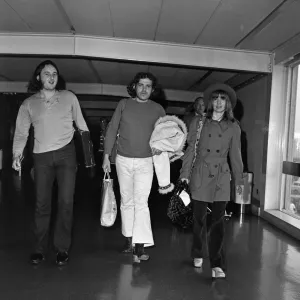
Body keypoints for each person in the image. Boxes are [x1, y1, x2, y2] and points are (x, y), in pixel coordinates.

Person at [12, 60, 89, 266]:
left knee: (65, 203)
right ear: (39, 77)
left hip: (66, 155)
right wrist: (17, 154)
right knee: (41, 204)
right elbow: (21, 132)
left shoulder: (69, 97)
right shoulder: (29, 103)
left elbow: (82, 127)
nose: (51, 77)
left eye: (54, 73)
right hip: (41, 158)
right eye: (47, 73)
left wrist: (89, 159)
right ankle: (38, 249)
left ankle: (61, 248)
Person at [180, 83, 244, 279]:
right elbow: (190, 150)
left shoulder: (233, 127)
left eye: (223, 99)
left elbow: (236, 156)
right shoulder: (198, 123)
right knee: (199, 219)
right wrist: (184, 174)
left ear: (228, 104)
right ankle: (198, 252)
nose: (218, 103)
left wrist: (240, 183)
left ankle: (217, 263)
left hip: (221, 176)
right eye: (215, 98)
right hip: (200, 172)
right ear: (209, 102)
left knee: (217, 221)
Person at [102, 72, 165, 263]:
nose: (144, 89)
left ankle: (140, 245)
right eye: (141, 85)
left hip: (146, 161)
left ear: (152, 90)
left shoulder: (158, 109)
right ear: (134, 87)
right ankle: (128, 240)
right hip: (123, 160)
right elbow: (112, 129)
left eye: (148, 86)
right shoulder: (124, 104)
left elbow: (165, 134)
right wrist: (106, 156)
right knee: (126, 200)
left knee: (141, 202)